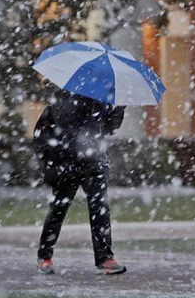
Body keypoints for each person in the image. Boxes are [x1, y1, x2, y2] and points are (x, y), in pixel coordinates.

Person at [33, 90, 127, 275]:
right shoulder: (67, 97)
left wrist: (120, 108)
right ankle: (44, 256)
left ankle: (105, 258)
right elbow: (67, 127)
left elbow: (108, 128)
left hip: (93, 162)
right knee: (59, 208)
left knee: (100, 208)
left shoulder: (102, 100)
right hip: (67, 162)